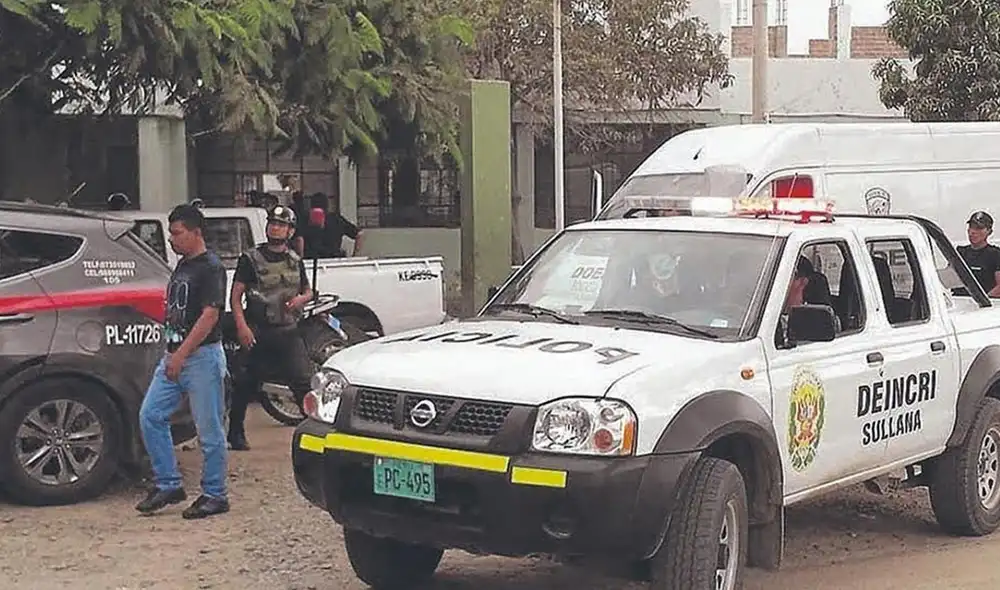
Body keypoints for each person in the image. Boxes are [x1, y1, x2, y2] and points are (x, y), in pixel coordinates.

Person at [136, 204, 230, 519]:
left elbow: (210, 315)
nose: (173, 239)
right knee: (150, 415)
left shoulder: (211, 267)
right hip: (174, 353)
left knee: (209, 429)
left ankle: (215, 494)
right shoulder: (183, 265)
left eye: (177, 233)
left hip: (200, 358)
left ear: (196, 232)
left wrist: (182, 353)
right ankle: (168, 482)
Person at [228, 205, 314, 450]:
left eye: (281, 224)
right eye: (272, 223)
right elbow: (236, 297)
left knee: (302, 384)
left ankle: (311, 437)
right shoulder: (251, 259)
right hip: (258, 330)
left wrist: (301, 300)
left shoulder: (295, 260)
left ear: (290, 230)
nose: (275, 228)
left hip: (288, 330)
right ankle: (235, 432)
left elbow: (307, 291)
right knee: (246, 383)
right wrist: (242, 327)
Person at [302, 192, 363, 258]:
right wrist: (354, 256)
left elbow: (299, 239)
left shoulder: (306, 220)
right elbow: (359, 234)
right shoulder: (337, 220)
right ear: (327, 205)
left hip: (311, 261)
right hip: (334, 261)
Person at [957, 211, 1000, 297]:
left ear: (989, 231)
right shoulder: (960, 252)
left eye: (978, 228)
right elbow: (948, 279)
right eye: (971, 227)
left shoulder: (995, 255)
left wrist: (984, 300)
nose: (973, 232)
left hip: (985, 306)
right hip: (959, 302)